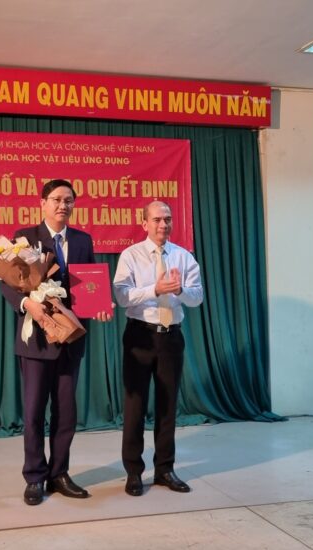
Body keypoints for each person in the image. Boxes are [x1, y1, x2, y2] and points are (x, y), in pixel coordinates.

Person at [0, 179, 112, 505]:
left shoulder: (82, 240)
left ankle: (59, 473)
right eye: (57, 199)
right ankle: (35, 477)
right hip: (37, 339)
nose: (63, 205)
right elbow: (8, 283)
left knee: (66, 412)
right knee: (34, 411)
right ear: (43, 203)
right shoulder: (25, 237)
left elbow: (88, 285)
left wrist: (100, 305)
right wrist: (27, 304)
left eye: (69, 200)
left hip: (70, 339)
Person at [113, 200, 203, 496]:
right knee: (135, 406)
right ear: (144, 223)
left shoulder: (183, 256)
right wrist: (155, 289)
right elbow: (122, 296)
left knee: (167, 406)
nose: (163, 225)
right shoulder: (131, 255)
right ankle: (133, 472)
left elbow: (197, 297)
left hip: (170, 338)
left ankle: (165, 469)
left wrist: (179, 289)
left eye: (168, 219)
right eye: (157, 220)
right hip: (140, 336)